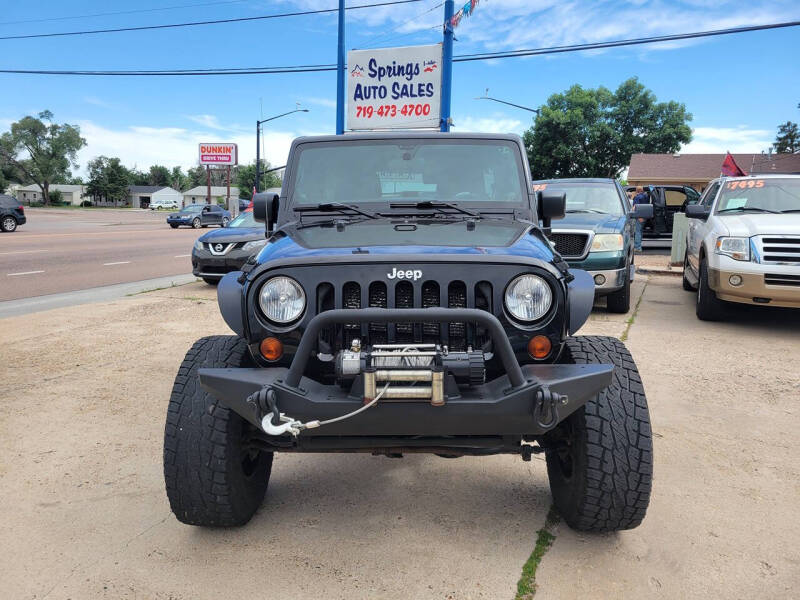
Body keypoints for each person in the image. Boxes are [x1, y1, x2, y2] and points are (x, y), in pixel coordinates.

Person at [631, 186, 649, 252]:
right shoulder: (646, 197)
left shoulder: (637, 197)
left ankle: (637, 247)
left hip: (639, 217)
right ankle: (639, 245)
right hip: (645, 216)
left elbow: (635, 207)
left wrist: (638, 216)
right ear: (642, 190)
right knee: (640, 231)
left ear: (637, 191)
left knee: (637, 232)